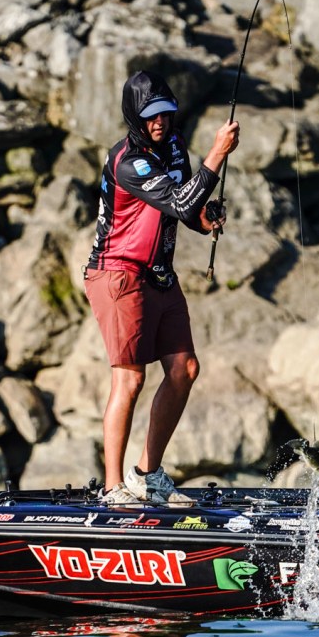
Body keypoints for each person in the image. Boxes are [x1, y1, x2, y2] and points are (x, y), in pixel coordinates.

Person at [84, 70, 240, 506]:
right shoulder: (127, 162)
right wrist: (217, 153)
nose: (159, 122)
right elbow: (179, 200)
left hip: (159, 275)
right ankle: (113, 489)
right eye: (150, 116)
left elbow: (187, 208)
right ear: (134, 117)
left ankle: (146, 476)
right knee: (130, 379)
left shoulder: (173, 147)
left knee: (184, 369)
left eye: (165, 113)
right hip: (118, 274)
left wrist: (205, 220)